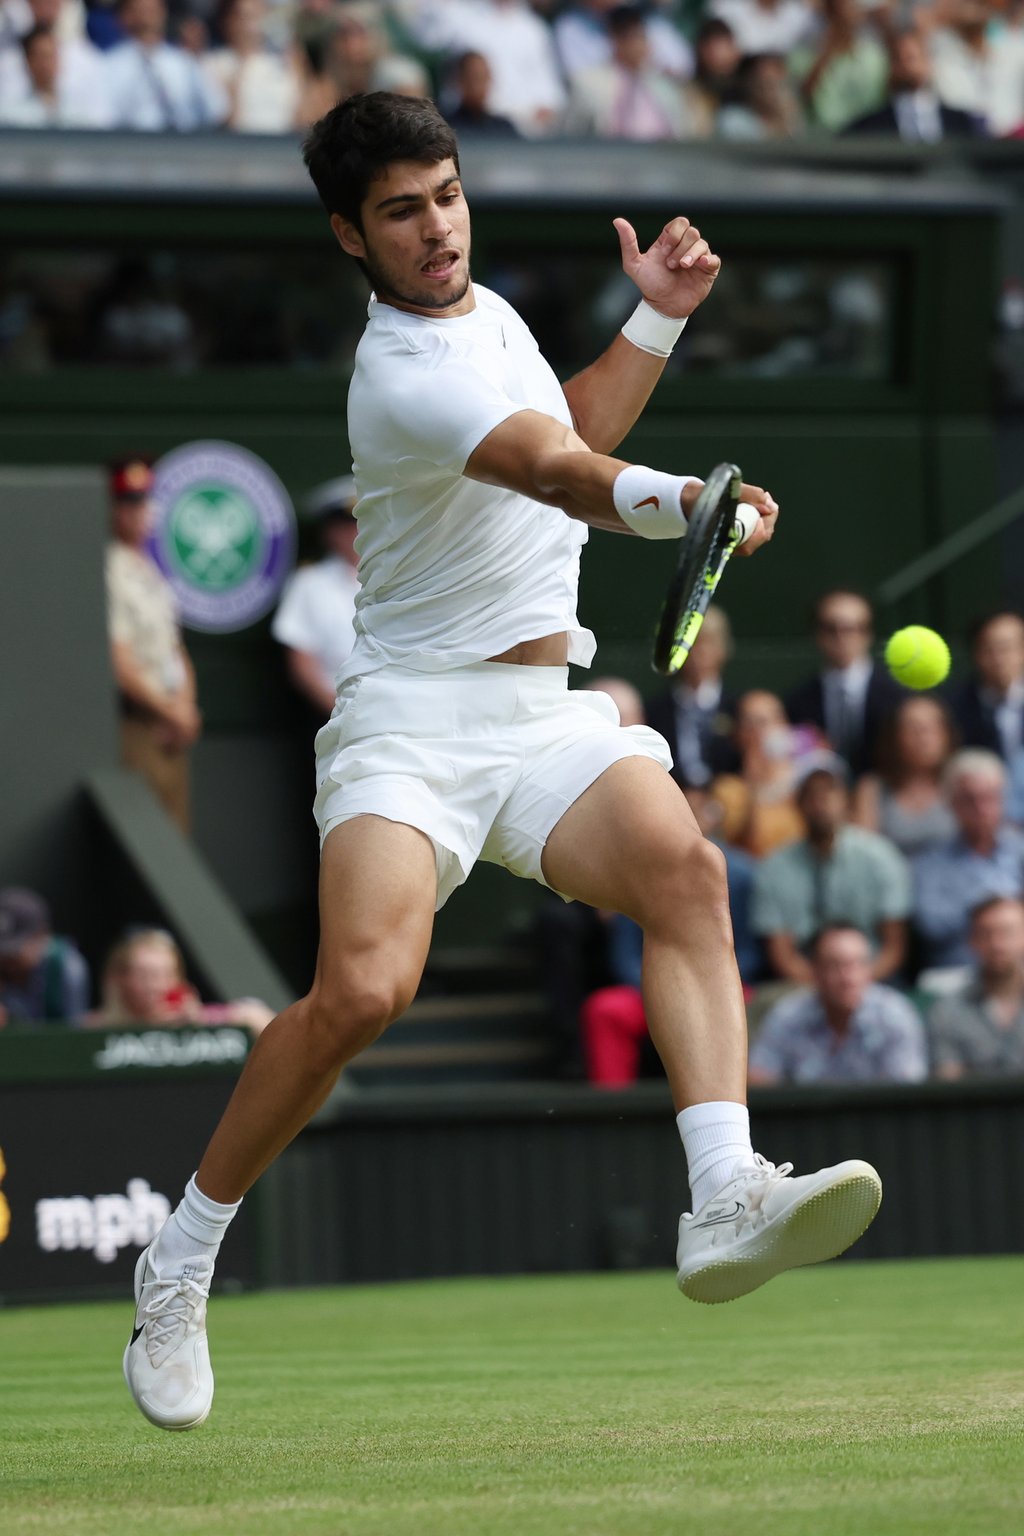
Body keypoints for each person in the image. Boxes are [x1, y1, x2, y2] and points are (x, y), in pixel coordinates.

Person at [123, 90, 880, 1434]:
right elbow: (560, 473)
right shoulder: (399, 372)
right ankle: (179, 1259)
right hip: (411, 724)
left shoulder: (491, 318)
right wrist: (686, 507)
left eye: (448, 195)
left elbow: (571, 425)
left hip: (539, 717)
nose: (437, 229)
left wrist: (654, 316)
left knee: (685, 871)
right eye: (402, 212)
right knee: (365, 991)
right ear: (351, 238)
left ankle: (723, 1197)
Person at [752, 753, 911, 983]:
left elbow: (893, 948)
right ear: (797, 802)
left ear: (846, 798)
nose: (821, 801)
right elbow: (782, 955)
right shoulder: (774, 868)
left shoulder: (881, 857)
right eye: (811, 794)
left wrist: (853, 983)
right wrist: (826, 989)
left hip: (872, 980)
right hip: (804, 987)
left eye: (830, 791)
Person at [106, 457, 202, 833]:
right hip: (138, 722)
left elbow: (175, 650)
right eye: (128, 504)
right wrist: (169, 712)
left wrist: (186, 708)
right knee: (145, 836)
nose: (139, 514)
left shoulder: (150, 568)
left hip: (171, 725)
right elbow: (120, 662)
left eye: (143, 503)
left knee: (176, 836)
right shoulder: (108, 567)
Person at [748, 924, 927, 1086]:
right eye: (836, 966)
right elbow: (760, 1082)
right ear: (815, 970)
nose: (848, 978)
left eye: (858, 964)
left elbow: (907, 1094)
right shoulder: (787, 1015)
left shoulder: (895, 1015)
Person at [912, 750, 1024, 971]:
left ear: (1003, 799)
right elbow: (931, 926)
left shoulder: (1020, 850)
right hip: (956, 973)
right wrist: (999, 905)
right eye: (970, 799)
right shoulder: (930, 863)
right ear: (951, 803)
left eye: (989, 797)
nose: (981, 809)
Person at [785, 588, 905, 778]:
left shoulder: (898, 698)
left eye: (851, 628)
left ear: (868, 633)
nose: (841, 637)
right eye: (831, 628)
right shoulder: (797, 702)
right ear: (817, 633)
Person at [271, 475, 362, 719]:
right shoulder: (309, 583)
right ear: (329, 531)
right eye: (347, 522)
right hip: (334, 717)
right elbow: (302, 666)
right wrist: (343, 715)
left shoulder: (397, 577)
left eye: (363, 519)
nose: (356, 530)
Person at [82, 928, 272, 1031]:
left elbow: (257, 1018)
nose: (154, 985)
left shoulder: (195, 1018)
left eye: (164, 974)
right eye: (143, 975)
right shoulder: (94, 1027)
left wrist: (198, 1023)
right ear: (118, 978)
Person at [566, 5, 702, 140]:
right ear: (614, 40)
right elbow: (570, 138)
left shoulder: (666, 84)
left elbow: (686, 131)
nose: (638, 43)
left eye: (641, 36)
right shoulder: (587, 84)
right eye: (631, 37)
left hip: (662, 156)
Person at [851, 693, 958, 858]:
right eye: (912, 728)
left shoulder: (963, 784)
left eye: (930, 728)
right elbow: (862, 857)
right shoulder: (871, 789)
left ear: (946, 735)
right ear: (894, 736)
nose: (922, 737)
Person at [927, 896, 1024, 1078]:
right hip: (976, 1105)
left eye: (1007, 933)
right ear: (972, 941)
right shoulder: (946, 1011)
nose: (997, 944)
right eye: (986, 933)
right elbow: (948, 1085)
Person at [644, 604, 739, 789]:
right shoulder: (654, 712)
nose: (699, 652)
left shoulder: (738, 708)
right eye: (691, 643)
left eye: (709, 642)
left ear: (723, 648)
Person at [710, 689, 807, 857]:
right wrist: (754, 782)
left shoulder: (808, 777)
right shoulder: (727, 789)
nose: (756, 732)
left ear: (784, 725)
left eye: (763, 722)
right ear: (738, 734)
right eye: (748, 724)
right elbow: (744, 849)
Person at [105, 0, 226, 130]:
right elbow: (102, 118)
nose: (147, 16)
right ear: (125, 16)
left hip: (183, 143)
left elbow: (216, 110)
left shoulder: (184, 63)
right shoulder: (110, 65)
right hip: (130, 143)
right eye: (141, 9)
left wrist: (200, 59)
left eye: (153, 9)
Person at [844, 28, 983, 140]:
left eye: (911, 58)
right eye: (898, 59)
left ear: (928, 62)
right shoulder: (870, 127)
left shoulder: (961, 123)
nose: (905, 66)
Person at [792, 0, 890, 134]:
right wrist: (828, 53)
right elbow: (801, 97)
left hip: (865, 139)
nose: (851, 13)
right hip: (822, 141)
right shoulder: (802, 50)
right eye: (844, 6)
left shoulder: (874, 56)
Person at [203, 0, 300, 133]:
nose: (251, 25)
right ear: (228, 21)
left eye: (257, 15)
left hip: (281, 148)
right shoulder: (213, 64)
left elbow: (302, 119)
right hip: (241, 148)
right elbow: (223, 120)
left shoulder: (285, 63)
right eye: (244, 16)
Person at [0, 887, 91, 1028]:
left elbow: (73, 1033)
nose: (7, 956)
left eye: (15, 948)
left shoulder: (65, 966)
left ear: (43, 936)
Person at [0, 19, 114, 125]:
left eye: (51, 56)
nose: (46, 63)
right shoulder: (13, 113)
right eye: (40, 56)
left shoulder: (78, 111)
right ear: (28, 61)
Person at [948, 611, 1024, 764]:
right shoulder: (953, 707)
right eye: (989, 649)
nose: (998, 659)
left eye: (1006, 648)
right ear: (975, 654)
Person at [444, 50, 520, 138]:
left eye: (484, 77)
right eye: (475, 78)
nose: (480, 85)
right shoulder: (446, 129)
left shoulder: (504, 129)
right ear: (461, 81)